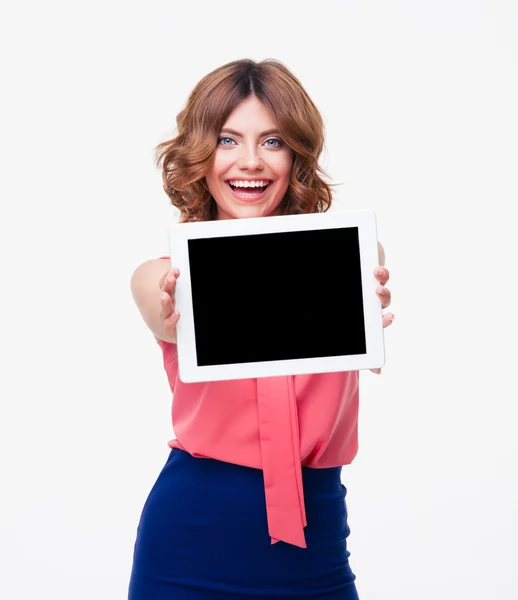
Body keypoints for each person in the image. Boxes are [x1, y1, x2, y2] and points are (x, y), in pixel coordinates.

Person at [127, 58, 394, 600]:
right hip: (188, 546)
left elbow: (363, 286)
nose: (250, 161)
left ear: (296, 155)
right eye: (228, 140)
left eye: (272, 142)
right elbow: (165, 311)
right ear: (201, 156)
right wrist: (175, 307)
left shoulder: (352, 258)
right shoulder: (161, 276)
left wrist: (363, 304)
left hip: (316, 550)